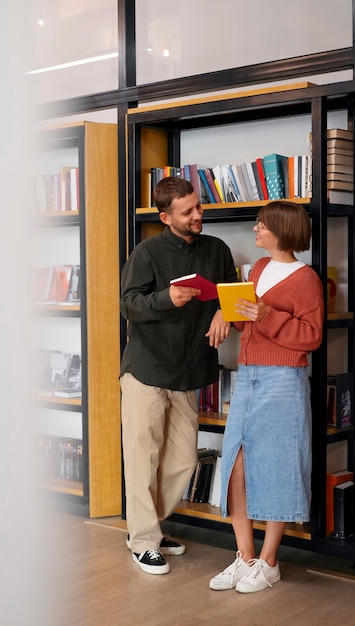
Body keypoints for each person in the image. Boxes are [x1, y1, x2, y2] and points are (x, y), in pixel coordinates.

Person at [120, 176, 237, 575]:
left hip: (190, 374)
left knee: (184, 461)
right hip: (147, 369)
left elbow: (232, 294)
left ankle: (145, 526)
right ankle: (144, 538)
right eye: (188, 212)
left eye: (199, 207)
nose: (197, 215)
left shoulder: (217, 250)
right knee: (142, 458)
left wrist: (225, 311)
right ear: (165, 216)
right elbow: (129, 305)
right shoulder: (147, 252)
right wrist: (166, 299)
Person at [209, 200, 324, 594]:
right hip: (249, 375)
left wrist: (265, 315)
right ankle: (245, 556)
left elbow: (311, 336)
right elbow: (247, 322)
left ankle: (269, 561)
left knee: (277, 467)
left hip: (283, 379)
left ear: (283, 231)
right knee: (237, 467)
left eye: (262, 224)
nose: (255, 229)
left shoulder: (306, 278)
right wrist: (229, 311)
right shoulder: (257, 269)